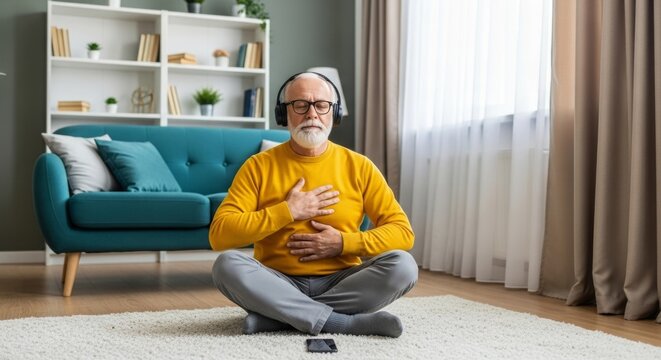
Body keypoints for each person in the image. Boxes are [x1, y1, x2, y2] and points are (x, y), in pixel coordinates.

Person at [209, 72, 418, 338]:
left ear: (334, 113)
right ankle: (344, 323)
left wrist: (343, 243)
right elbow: (220, 235)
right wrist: (288, 211)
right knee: (227, 265)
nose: (312, 114)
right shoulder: (258, 166)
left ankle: (280, 318)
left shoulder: (360, 166)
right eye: (300, 105)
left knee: (404, 266)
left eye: (321, 105)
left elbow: (402, 232)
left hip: (343, 280)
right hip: (277, 280)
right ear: (285, 114)